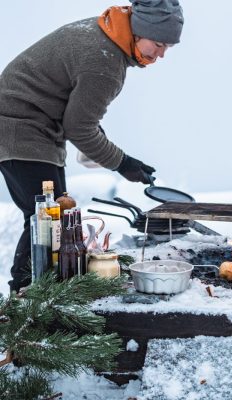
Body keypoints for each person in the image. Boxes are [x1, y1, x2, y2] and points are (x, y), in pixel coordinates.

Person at [0, 0, 183, 293]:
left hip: (26, 125)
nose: (161, 54)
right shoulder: (106, 61)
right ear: (140, 30)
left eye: (168, 48)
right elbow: (79, 128)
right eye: (159, 43)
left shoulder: (104, 30)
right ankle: (24, 296)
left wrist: (94, 146)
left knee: (51, 217)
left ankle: (36, 293)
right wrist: (123, 163)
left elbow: (80, 114)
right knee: (48, 220)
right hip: (22, 127)